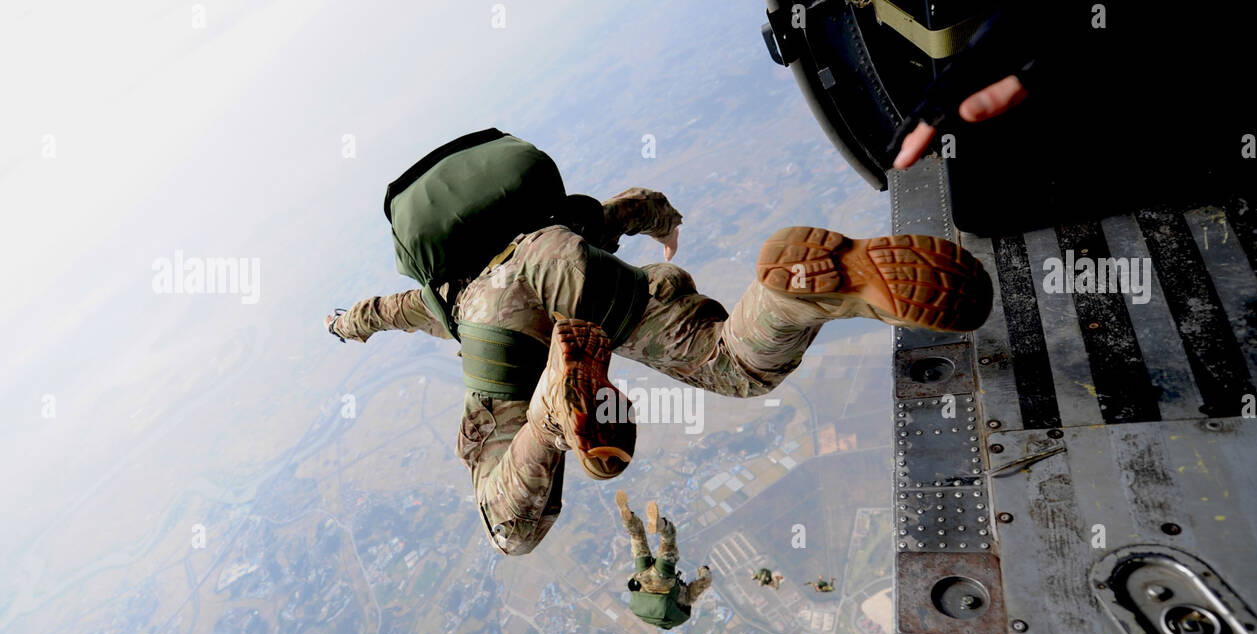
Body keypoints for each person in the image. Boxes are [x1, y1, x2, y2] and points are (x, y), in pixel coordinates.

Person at [328, 183, 992, 556]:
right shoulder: (540, 226)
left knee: (509, 526)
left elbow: (382, 311)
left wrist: (345, 325)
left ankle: (550, 413)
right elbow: (633, 207)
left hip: (502, 323)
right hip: (585, 272)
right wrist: (663, 223)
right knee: (734, 361)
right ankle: (789, 300)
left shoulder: (438, 295)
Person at [615, 491, 710, 630]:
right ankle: (627, 518)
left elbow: (703, 583)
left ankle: (660, 524)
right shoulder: (655, 611)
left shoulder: (687, 599)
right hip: (643, 580)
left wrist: (704, 571)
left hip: (663, 582)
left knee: (669, 540)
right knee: (637, 536)